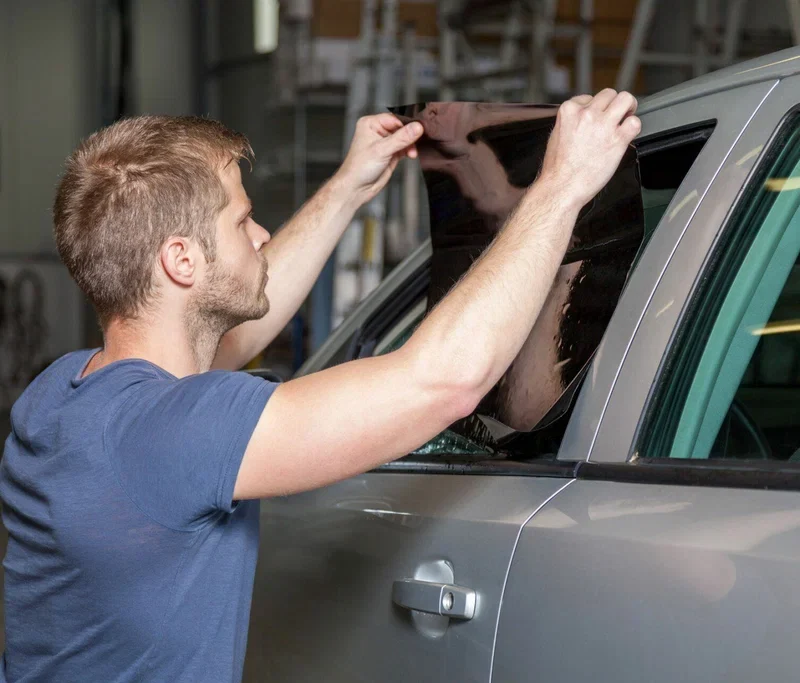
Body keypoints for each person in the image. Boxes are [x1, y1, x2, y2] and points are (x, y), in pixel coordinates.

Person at [0, 88, 640, 683]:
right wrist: (562, 186)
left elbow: (226, 336)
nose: (261, 235)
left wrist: (346, 188)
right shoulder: (178, 432)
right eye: (243, 221)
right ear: (182, 260)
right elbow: (443, 380)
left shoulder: (61, 394)